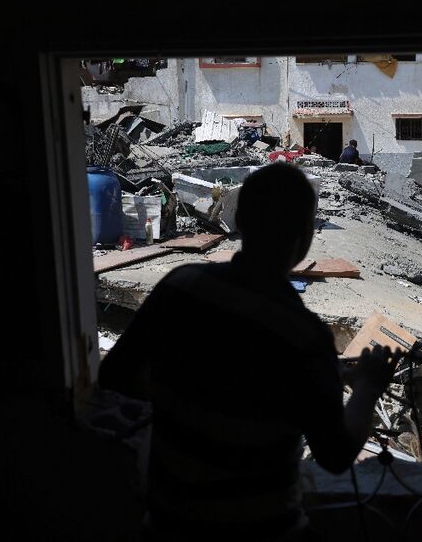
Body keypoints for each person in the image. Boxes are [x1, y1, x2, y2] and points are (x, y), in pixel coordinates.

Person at [98, 162, 399, 542]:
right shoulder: (304, 337)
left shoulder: (181, 286)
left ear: (238, 219)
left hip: (168, 527)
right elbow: (336, 455)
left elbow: (115, 376)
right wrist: (368, 387)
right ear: (306, 236)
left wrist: (186, 391)